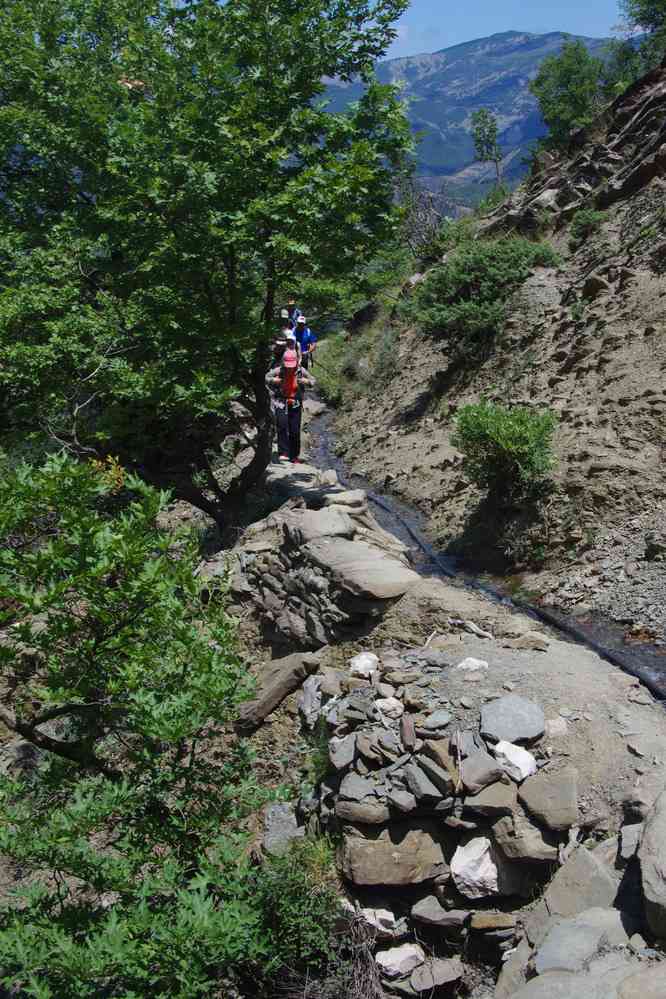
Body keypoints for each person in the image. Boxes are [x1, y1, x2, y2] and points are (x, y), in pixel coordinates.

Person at [265, 348, 314, 463]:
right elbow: (266, 377)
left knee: (295, 429)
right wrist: (273, 380)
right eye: (287, 365)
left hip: (295, 401)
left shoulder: (301, 370)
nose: (290, 367)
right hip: (280, 401)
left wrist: (307, 382)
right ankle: (283, 452)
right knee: (282, 425)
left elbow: (313, 380)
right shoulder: (278, 370)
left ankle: (294, 455)